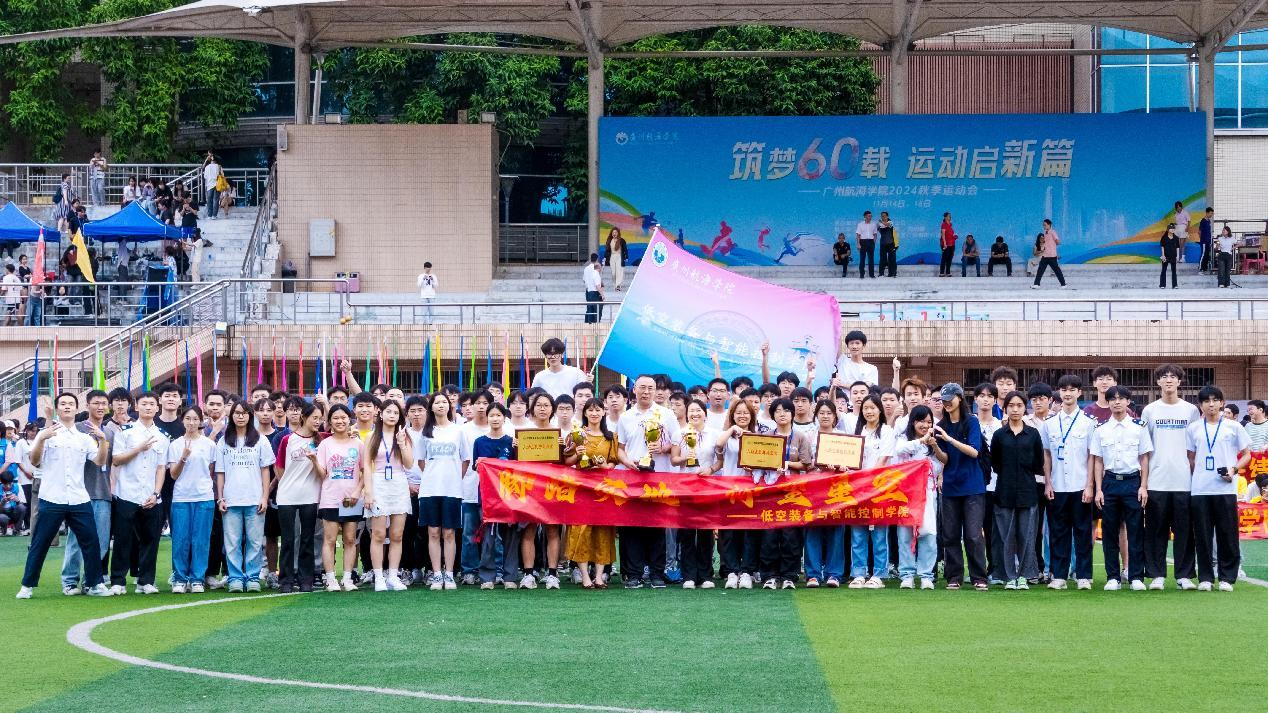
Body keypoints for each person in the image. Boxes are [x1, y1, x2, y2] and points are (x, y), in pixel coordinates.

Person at [16, 393, 113, 600]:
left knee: (91, 542)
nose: (67, 407)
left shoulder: (84, 437)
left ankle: (94, 584)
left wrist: (102, 440)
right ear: (57, 409)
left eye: (71, 404)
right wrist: (42, 438)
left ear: (77, 409)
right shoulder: (47, 433)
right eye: (63, 404)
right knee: (40, 542)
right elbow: (35, 461)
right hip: (52, 497)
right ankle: (27, 585)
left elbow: (99, 461)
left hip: (79, 498)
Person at [616, 375, 681, 589]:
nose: (646, 392)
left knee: (657, 527)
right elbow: (620, 449)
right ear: (634, 389)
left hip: (659, 477)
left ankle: (656, 573)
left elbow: (677, 442)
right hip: (633, 477)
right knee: (633, 527)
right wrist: (627, 462)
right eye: (642, 387)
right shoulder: (625, 417)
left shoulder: (666, 414)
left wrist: (663, 448)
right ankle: (634, 574)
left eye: (650, 388)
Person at [1140, 364, 1200, 590]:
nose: (1168, 380)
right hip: (1157, 480)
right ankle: (1157, 575)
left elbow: (1194, 448)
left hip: (1184, 481)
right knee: (1156, 531)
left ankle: (1184, 575)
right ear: (1157, 382)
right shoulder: (1150, 410)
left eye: (1172, 376)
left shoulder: (1190, 410)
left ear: (1179, 381)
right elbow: (1145, 450)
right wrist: (1144, 483)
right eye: (1163, 376)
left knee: (1184, 531)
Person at [1186, 385, 1251, 591]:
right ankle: (1205, 578)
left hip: (1225, 489)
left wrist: (1234, 469)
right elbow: (1191, 458)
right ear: (1200, 405)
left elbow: (1247, 455)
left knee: (1227, 534)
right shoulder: (1194, 428)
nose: (1211, 404)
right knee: (1203, 535)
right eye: (1206, 401)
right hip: (1200, 489)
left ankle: (1227, 578)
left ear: (1222, 403)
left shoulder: (1233, 427)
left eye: (1215, 400)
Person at [1089, 385, 1152, 591]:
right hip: (1110, 483)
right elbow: (1098, 461)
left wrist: (1143, 486)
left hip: (1132, 482)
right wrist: (1099, 489)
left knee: (1135, 530)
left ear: (1128, 402)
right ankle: (1113, 577)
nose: (1117, 402)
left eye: (1121, 398)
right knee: (1109, 531)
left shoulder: (1138, 427)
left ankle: (1135, 576)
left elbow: (1144, 458)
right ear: (1108, 402)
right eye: (1113, 399)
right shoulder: (1101, 429)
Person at [110, 391, 169, 595]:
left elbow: (161, 468)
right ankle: (118, 580)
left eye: (152, 404)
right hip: (127, 493)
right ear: (136, 406)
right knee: (123, 539)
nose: (148, 407)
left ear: (157, 408)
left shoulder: (162, 436)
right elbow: (116, 459)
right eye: (144, 404)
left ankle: (146, 581)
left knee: (151, 540)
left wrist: (156, 493)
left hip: (151, 496)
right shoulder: (125, 431)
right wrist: (138, 448)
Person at [1041, 375, 1096, 590]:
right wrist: (1048, 483)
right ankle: (1059, 576)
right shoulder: (1050, 424)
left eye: (1072, 389)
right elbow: (1047, 455)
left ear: (1079, 393)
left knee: (1083, 532)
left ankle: (1084, 575)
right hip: (1057, 486)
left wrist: (1090, 485)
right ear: (1059, 392)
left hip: (1080, 485)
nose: (1068, 393)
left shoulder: (1088, 423)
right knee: (1058, 532)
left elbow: (1092, 456)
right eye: (1064, 389)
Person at [216, 399, 275, 593]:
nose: (240, 417)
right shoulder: (224, 441)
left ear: (250, 416)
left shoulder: (260, 440)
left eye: (244, 413)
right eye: (237, 413)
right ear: (231, 416)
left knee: (255, 542)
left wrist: (264, 497)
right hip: (231, 500)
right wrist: (220, 497)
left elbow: (265, 471)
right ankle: (234, 578)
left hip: (254, 499)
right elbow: (220, 472)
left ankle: (252, 577)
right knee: (232, 542)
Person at [990, 391, 1044, 589]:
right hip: (1004, 491)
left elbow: (1039, 462)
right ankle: (1009, 576)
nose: (1015, 409)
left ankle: (1024, 576)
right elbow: (995, 463)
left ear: (1024, 408)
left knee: (1027, 536)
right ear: (1005, 409)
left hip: (1028, 491)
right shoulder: (999, 435)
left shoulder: (1033, 434)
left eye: (1019, 405)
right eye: (1011, 406)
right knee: (1006, 536)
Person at [935, 383, 986, 590]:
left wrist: (949, 439)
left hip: (973, 486)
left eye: (950, 399)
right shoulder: (941, 425)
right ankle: (954, 576)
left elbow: (974, 451)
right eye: (943, 400)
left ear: (960, 398)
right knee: (950, 534)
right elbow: (945, 459)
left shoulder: (971, 421)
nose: (946, 403)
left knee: (973, 535)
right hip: (950, 486)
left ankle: (979, 577)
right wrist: (935, 445)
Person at [760, 398, 813, 589]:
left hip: (793, 493)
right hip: (770, 492)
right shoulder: (766, 436)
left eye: (786, 411)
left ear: (792, 414)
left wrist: (787, 464)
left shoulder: (800, 437)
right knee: (769, 535)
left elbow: (806, 464)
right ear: (773, 415)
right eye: (778, 411)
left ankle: (789, 575)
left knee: (791, 536)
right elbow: (758, 461)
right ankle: (769, 575)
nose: (782, 414)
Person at [362, 399, 414, 592]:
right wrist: (368, 491)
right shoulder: (372, 436)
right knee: (378, 534)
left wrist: (402, 443)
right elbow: (367, 465)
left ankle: (393, 576)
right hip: (378, 484)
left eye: (396, 413)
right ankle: (378, 576)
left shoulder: (404, 436)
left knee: (397, 534)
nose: (392, 415)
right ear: (381, 414)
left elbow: (409, 464)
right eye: (389, 412)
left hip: (399, 484)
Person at [274, 403, 323, 593]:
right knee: (288, 540)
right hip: (287, 496)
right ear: (304, 417)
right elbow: (279, 467)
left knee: (307, 539)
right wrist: (288, 483)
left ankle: (306, 580)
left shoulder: (321, 440)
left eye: (320, 418)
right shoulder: (288, 440)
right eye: (314, 418)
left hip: (310, 496)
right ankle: (286, 580)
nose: (318, 421)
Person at [313, 405, 364, 592]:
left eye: (343, 417)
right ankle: (331, 578)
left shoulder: (358, 444)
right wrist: (313, 460)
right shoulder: (325, 445)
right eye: (335, 418)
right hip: (331, 498)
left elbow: (366, 470)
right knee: (330, 539)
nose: (340, 421)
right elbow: (322, 474)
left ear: (349, 420)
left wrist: (357, 491)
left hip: (351, 499)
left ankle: (348, 578)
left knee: (350, 539)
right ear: (330, 422)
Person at [670, 400, 719, 589]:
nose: (695, 414)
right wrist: (686, 457)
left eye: (698, 410)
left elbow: (720, 460)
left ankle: (706, 575)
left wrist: (711, 469)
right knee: (687, 532)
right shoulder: (679, 433)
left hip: (707, 486)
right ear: (686, 413)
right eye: (691, 411)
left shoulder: (713, 434)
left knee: (706, 531)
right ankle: (689, 575)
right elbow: (674, 460)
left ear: (705, 414)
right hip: (685, 487)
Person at [167, 405, 216, 593]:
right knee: (180, 539)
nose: (192, 422)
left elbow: (211, 471)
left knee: (201, 540)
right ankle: (180, 579)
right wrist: (183, 457)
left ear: (201, 421)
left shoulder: (209, 445)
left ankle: (197, 579)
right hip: (181, 498)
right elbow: (173, 474)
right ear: (182, 420)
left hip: (204, 497)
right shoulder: (175, 445)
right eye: (188, 418)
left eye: (195, 419)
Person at [846, 395, 893, 589]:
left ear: (880, 410)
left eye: (873, 407)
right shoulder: (857, 432)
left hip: (879, 489)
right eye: (866, 408)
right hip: (858, 489)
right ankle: (859, 573)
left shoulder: (887, 431)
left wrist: (868, 481)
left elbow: (883, 459)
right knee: (858, 534)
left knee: (879, 535)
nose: (869, 411)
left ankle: (879, 574)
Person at [418, 393, 463, 591]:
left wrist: (453, 477)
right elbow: (421, 461)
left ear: (450, 406)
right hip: (430, 489)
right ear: (432, 407)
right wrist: (433, 475)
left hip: (452, 489)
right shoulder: (426, 432)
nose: (441, 405)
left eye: (445, 402)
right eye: (437, 402)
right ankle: (437, 573)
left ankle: (449, 573)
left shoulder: (458, 430)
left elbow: (465, 460)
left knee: (449, 532)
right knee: (434, 532)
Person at [472, 403, 518, 589]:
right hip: (487, 495)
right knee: (488, 537)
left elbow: (518, 468)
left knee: (511, 536)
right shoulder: (479, 442)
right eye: (492, 415)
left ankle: (510, 577)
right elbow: (477, 468)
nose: (495, 418)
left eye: (498, 415)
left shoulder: (512, 442)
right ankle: (487, 577)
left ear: (504, 418)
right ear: (487, 418)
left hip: (509, 495)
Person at [1032, 219, 1067, 289]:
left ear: (1049, 225)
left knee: (1057, 271)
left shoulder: (1053, 232)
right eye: (1043, 225)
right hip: (1045, 255)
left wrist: (1054, 244)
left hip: (1052, 256)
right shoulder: (1045, 233)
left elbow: (1058, 241)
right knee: (1040, 270)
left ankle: (1063, 284)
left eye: (1045, 225)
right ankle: (1036, 284)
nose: (1044, 226)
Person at [855, 210, 878, 279]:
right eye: (869, 216)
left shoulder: (873, 224)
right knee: (862, 259)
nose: (870, 217)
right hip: (863, 242)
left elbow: (875, 234)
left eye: (871, 216)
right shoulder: (860, 224)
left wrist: (874, 242)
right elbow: (858, 235)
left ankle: (872, 274)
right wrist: (858, 244)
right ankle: (862, 274)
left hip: (871, 242)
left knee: (871, 259)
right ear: (865, 216)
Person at [583, 252, 604, 323]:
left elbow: (584, 280)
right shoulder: (595, 268)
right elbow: (597, 282)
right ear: (597, 259)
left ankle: (588, 323)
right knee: (597, 309)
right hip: (595, 291)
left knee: (589, 308)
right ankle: (596, 324)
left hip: (588, 290)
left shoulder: (586, 268)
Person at [1159, 223, 1181, 289]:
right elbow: (1162, 247)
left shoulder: (1176, 238)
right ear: (1168, 229)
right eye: (1171, 228)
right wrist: (1163, 255)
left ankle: (1175, 285)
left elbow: (1178, 247)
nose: (1172, 230)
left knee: (1174, 271)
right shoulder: (1164, 237)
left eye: (1173, 228)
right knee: (1164, 270)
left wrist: (1177, 256)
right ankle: (1162, 285)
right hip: (1166, 256)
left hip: (1173, 256)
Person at [1215, 224, 1236, 288]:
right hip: (1222, 254)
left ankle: (1227, 284)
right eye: (1223, 230)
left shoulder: (1231, 238)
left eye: (1224, 230)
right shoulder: (1220, 238)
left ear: (1228, 231)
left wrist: (1232, 248)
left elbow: (1239, 243)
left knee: (1227, 270)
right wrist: (1217, 246)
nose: (1223, 231)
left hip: (1228, 255)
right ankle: (1221, 283)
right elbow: (1216, 248)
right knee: (1221, 270)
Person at [877, 211, 897, 277]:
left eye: (884, 216)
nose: (883, 217)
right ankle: (881, 273)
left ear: (887, 216)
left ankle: (892, 273)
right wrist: (878, 225)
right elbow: (877, 229)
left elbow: (887, 225)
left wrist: (881, 222)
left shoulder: (890, 222)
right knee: (882, 259)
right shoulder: (879, 224)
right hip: (883, 244)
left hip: (891, 243)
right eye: (882, 216)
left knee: (892, 259)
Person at [202, 153, 222, 220]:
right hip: (217, 185)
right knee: (216, 200)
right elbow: (221, 175)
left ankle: (209, 215)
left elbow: (205, 177)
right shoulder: (219, 166)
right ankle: (214, 215)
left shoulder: (207, 167)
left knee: (209, 200)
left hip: (209, 185)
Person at [938, 212, 956, 277]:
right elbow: (943, 234)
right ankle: (942, 272)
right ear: (945, 217)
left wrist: (954, 236)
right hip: (946, 244)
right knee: (944, 258)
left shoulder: (950, 224)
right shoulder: (944, 224)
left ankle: (948, 272)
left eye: (950, 216)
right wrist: (944, 243)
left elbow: (951, 234)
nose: (950, 217)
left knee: (950, 258)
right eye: (948, 216)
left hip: (952, 244)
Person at [1199, 207, 1214, 273]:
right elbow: (1199, 232)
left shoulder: (1209, 221)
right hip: (1204, 241)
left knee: (1207, 255)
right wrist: (1202, 239)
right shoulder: (1203, 221)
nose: (1211, 215)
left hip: (1208, 241)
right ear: (1207, 213)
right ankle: (1200, 268)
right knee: (1203, 254)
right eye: (1210, 213)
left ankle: (1204, 268)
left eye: (1212, 213)